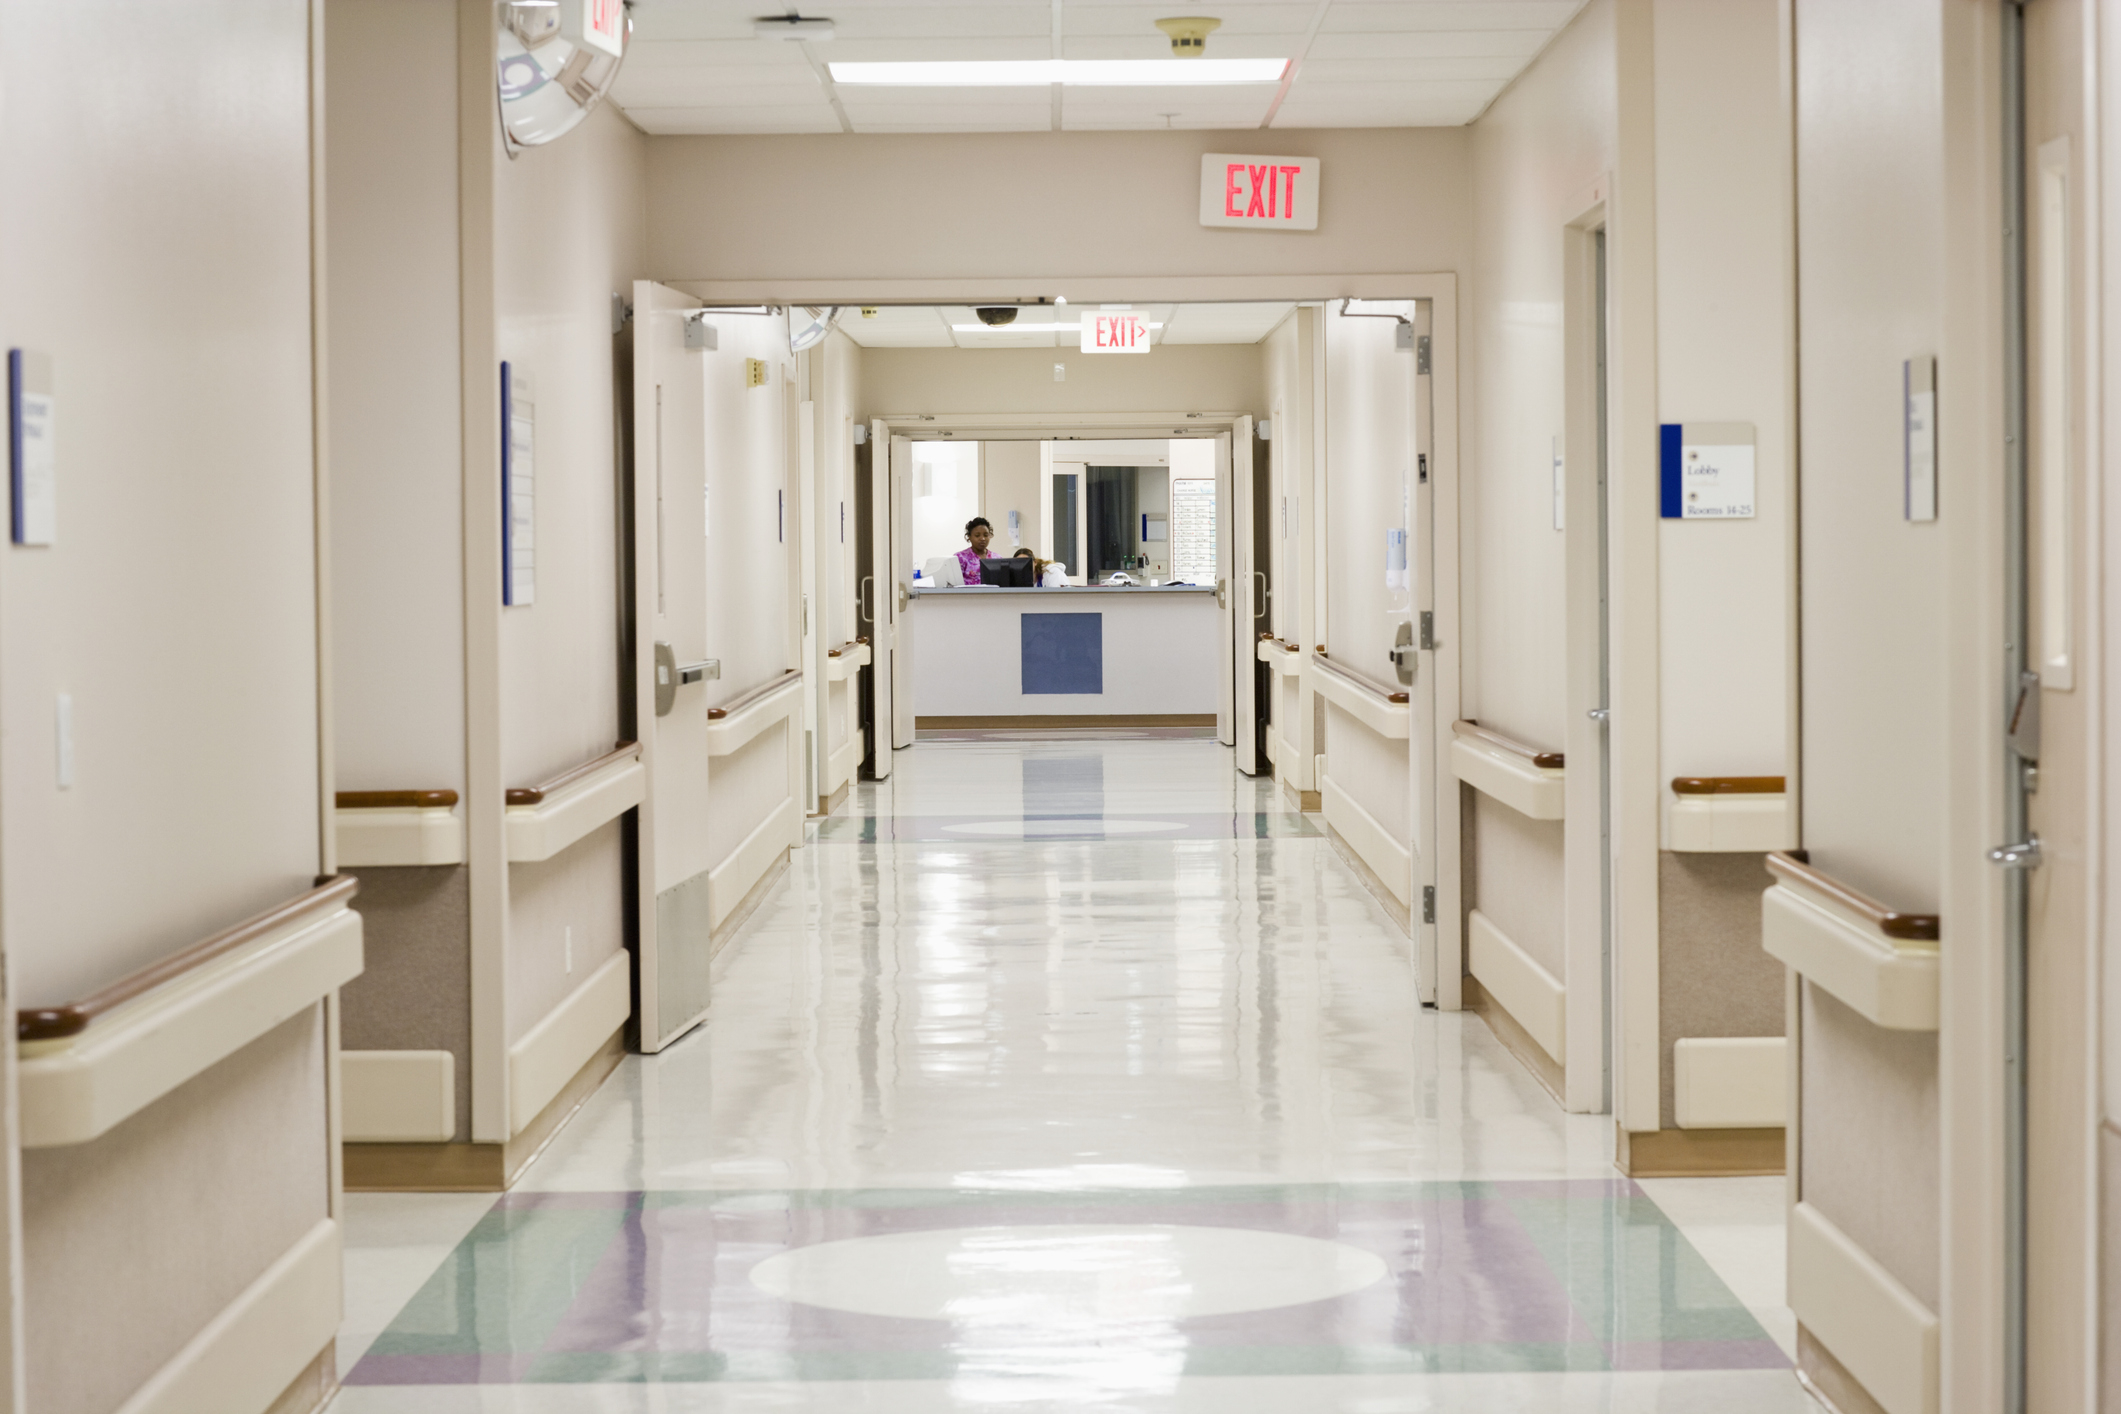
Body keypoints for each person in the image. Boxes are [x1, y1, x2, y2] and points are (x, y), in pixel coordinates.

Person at [955, 517, 993, 585]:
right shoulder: (960, 557)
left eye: (986, 535)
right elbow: (955, 584)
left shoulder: (997, 558)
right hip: (968, 595)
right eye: (977, 536)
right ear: (969, 537)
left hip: (993, 595)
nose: (983, 539)